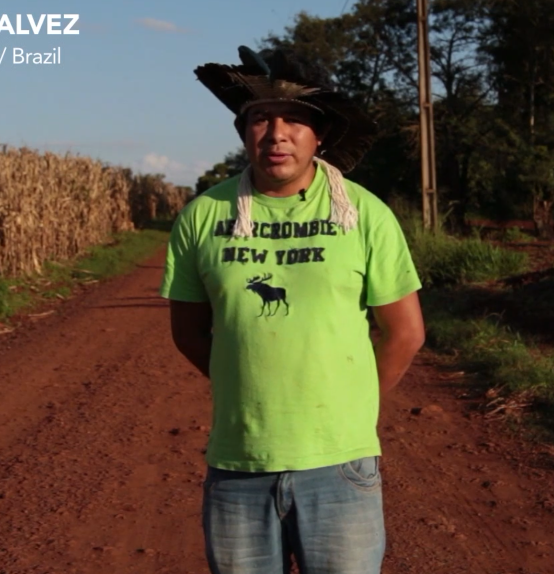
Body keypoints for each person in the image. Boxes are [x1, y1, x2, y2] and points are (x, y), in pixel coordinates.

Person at [158, 45, 426, 574]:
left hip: (340, 465)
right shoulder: (202, 218)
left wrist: (348, 406)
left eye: (295, 120)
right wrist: (251, 387)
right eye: (260, 118)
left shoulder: (365, 214)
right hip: (239, 466)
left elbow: (404, 333)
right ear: (243, 133)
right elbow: (189, 333)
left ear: (318, 136)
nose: (276, 132)